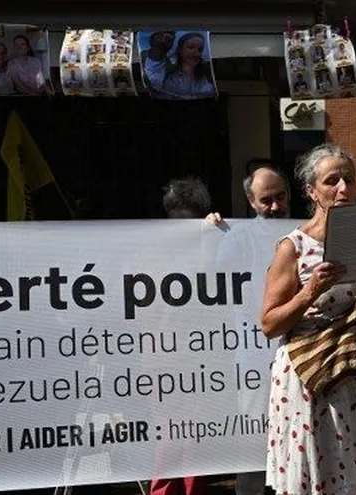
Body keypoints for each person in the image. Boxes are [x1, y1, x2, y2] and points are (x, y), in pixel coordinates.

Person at [260, 143, 356, 495]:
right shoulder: (293, 246)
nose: (344, 188)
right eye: (332, 180)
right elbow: (269, 324)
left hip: (351, 372)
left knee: (350, 481)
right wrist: (310, 290)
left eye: (349, 178)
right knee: (312, 480)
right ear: (311, 191)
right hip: (308, 379)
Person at [206, 164, 290, 495]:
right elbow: (208, 277)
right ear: (251, 202)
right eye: (266, 200)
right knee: (256, 436)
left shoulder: (306, 232)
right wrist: (206, 233)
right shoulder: (238, 237)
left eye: (280, 197)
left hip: (300, 351)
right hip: (256, 357)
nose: (274, 207)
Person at [149, 177, 210, 495]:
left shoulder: (211, 249)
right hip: (163, 363)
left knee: (195, 441)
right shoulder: (153, 254)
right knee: (168, 440)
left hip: (202, 361)